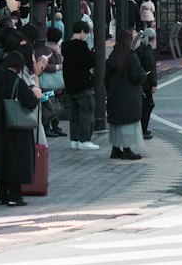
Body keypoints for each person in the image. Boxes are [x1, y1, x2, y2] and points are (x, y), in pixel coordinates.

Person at [0, 50, 44, 205]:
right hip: (16, 128)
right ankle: (14, 196)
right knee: (16, 160)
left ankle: (0, 195)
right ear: (19, 66)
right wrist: (36, 95)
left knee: (2, 160)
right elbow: (30, 102)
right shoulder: (17, 82)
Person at [104, 28, 146, 161]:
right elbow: (137, 76)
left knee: (116, 123)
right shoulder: (131, 57)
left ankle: (116, 149)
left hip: (114, 94)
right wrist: (144, 75)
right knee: (128, 123)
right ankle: (127, 150)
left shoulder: (112, 56)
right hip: (129, 95)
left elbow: (106, 78)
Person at [62, 20, 98, 151]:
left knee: (75, 113)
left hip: (71, 85)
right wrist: (92, 52)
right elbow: (91, 61)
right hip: (83, 84)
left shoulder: (66, 47)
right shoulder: (81, 46)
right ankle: (84, 139)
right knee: (86, 111)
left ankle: (75, 139)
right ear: (82, 32)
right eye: (86, 33)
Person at [137, 28, 157, 139]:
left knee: (145, 105)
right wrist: (154, 84)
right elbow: (151, 69)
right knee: (147, 106)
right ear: (152, 39)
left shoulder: (139, 49)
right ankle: (142, 129)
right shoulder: (148, 51)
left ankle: (142, 129)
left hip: (140, 81)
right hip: (146, 83)